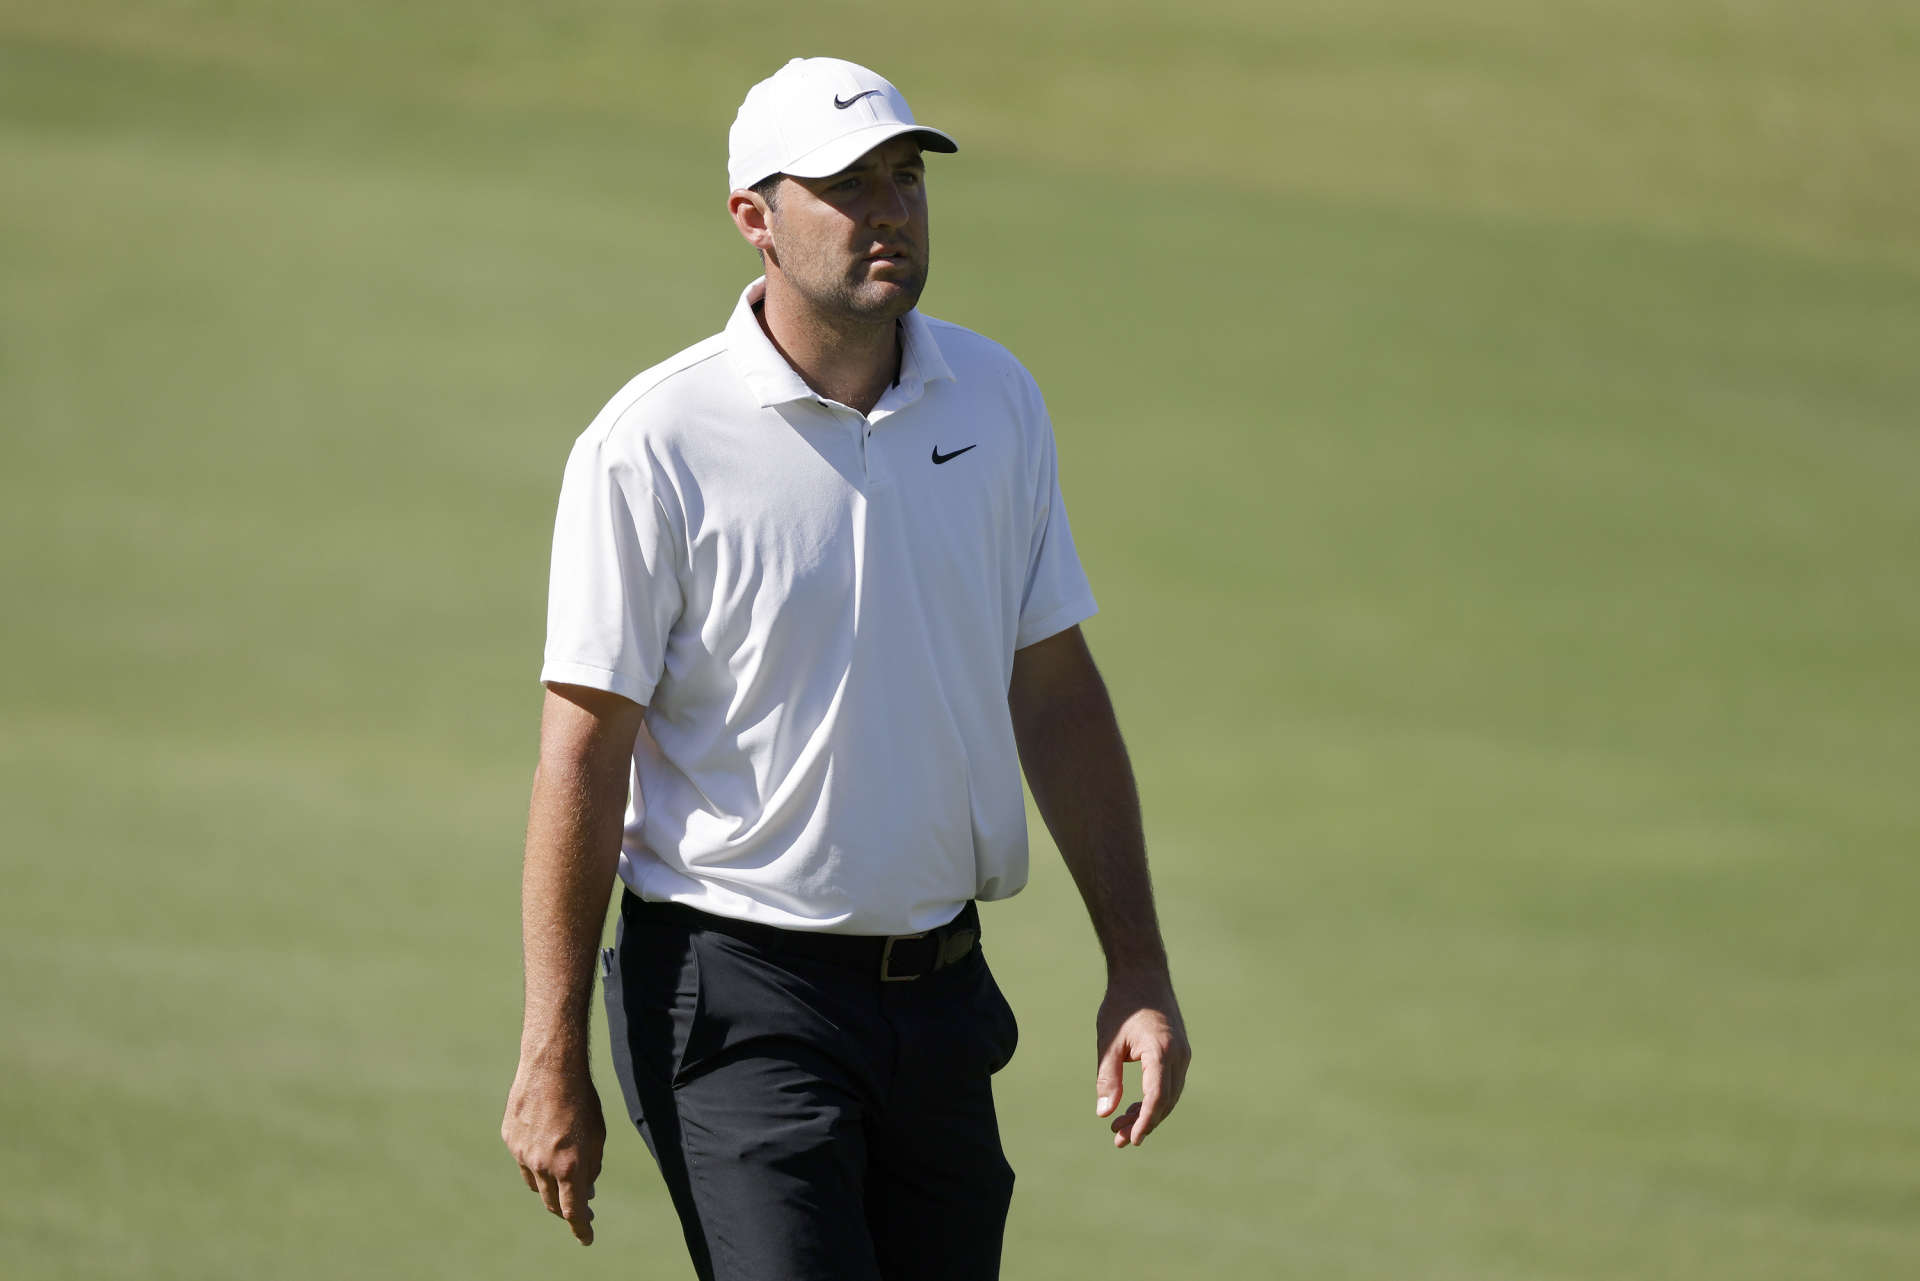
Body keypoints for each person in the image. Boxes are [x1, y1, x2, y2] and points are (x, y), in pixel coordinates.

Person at [500, 56, 1191, 1280]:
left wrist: (1136, 964)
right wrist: (549, 1050)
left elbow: (1056, 694)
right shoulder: (653, 444)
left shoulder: (996, 401)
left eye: (905, 178)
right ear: (753, 218)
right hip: (734, 994)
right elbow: (584, 754)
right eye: (846, 186)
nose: (890, 210)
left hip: (941, 995)